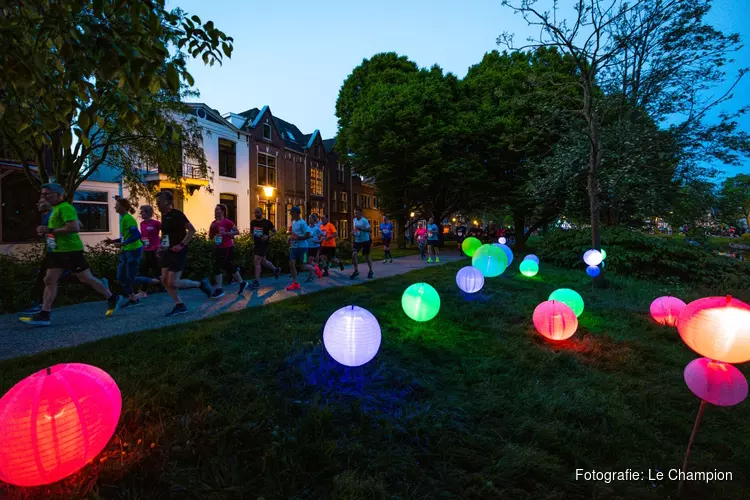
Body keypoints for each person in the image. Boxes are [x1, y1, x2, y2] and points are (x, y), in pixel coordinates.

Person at [19, 183, 119, 326]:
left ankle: (111, 297)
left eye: (48, 194)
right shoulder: (55, 209)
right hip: (58, 251)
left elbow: (75, 227)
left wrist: (50, 230)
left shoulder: (65, 207)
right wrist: (47, 231)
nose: (44, 196)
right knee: (49, 280)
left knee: (86, 278)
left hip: (70, 251)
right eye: (43, 194)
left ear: (59, 195)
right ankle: (44, 314)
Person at [155, 190, 213, 316]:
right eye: (157, 201)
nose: (157, 203)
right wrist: (161, 247)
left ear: (168, 202)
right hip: (167, 252)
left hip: (178, 251)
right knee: (164, 280)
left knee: (173, 282)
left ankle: (200, 284)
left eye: (160, 201)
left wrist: (181, 244)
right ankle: (180, 305)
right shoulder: (163, 216)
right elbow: (166, 235)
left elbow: (192, 230)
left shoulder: (178, 215)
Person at [21, 196, 82, 315]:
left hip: (63, 251)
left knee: (47, 278)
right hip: (53, 250)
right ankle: (42, 307)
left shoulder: (58, 211)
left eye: (41, 201)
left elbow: (78, 225)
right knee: (50, 278)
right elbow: (48, 232)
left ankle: (41, 307)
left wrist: (50, 230)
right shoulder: (47, 215)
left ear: (49, 203)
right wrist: (44, 232)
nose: (38, 203)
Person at [104, 196, 143, 307]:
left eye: (116, 205)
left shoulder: (128, 219)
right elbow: (125, 237)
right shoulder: (123, 219)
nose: (114, 206)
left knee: (130, 277)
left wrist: (122, 244)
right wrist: (112, 241)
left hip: (134, 250)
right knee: (121, 276)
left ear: (122, 207)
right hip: (126, 250)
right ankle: (133, 298)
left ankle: (152, 282)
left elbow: (137, 235)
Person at [208, 203, 247, 298]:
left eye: (217, 209)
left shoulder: (227, 222)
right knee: (228, 266)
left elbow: (237, 231)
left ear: (223, 211)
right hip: (218, 247)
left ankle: (219, 289)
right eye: (215, 209)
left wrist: (226, 233)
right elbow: (211, 236)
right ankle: (242, 283)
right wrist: (212, 233)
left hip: (227, 247)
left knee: (217, 267)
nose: (215, 211)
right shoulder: (213, 223)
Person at [286, 206, 321, 290]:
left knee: (303, 266)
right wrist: (290, 238)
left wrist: (297, 238)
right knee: (291, 264)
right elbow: (295, 234)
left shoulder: (303, 223)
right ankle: (295, 283)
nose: (290, 214)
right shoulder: (293, 222)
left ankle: (315, 269)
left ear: (297, 213)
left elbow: (308, 235)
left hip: (303, 248)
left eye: (292, 212)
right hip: (294, 247)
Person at [133, 204, 162, 295]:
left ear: (149, 213)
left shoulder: (156, 223)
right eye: (141, 212)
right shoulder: (142, 224)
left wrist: (161, 246)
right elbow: (143, 236)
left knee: (156, 270)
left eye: (143, 212)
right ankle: (144, 291)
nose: (142, 214)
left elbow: (166, 232)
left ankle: (163, 286)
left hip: (155, 250)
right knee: (144, 270)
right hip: (146, 249)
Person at [249, 206, 280, 289]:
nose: (256, 214)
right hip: (256, 244)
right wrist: (251, 235)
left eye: (257, 212)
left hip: (264, 244)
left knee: (256, 261)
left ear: (261, 213)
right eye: (255, 212)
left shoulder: (267, 223)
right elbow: (251, 233)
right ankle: (276, 269)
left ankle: (257, 281)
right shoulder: (253, 222)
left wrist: (267, 237)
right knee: (263, 261)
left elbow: (275, 232)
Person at [351, 207, 374, 279]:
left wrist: (362, 229)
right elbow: (355, 230)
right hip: (358, 240)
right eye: (355, 213)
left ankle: (370, 271)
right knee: (354, 254)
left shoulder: (364, 220)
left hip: (365, 240)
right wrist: (353, 232)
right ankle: (356, 271)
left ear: (360, 213)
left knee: (367, 256)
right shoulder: (354, 220)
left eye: (357, 213)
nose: (355, 214)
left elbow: (370, 230)